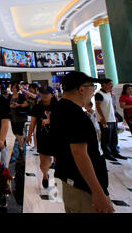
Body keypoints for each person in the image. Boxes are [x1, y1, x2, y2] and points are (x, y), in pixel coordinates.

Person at [51, 71, 114, 213]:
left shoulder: (59, 108)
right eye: (92, 86)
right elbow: (80, 154)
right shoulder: (74, 114)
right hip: (82, 187)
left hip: (68, 180)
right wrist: (98, 192)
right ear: (81, 89)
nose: (93, 91)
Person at [26, 86, 58, 188]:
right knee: (44, 163)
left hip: (57, 137)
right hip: (43, 137)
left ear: (52, 95)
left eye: (46, 93)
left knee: (59, 161)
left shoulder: (58, 106)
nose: (44, 95)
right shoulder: (37, 107)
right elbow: (32, 123)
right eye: (42, 93)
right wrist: (29, 135)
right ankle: (45, 175)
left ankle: (59, 178)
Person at [95, 79, 127, 161]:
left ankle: (114, 152)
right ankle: (107, 153)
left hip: (112, 118)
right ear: (104, 84)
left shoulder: (109, 94)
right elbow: (98, 106)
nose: (111, 86)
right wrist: (102, 117)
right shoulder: (99, 94)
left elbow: (112, 106)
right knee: (106, 137)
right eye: (110, 84)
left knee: (114, 137)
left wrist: (115, 116)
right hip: (105, 120)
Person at [8, 83, 28, 153]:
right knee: (14, 131)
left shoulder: (21, 96)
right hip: (12, 117)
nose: (14, 89)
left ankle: (20, 146)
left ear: (17, 88)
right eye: (12, 88)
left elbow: (26, 104)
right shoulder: (10, 96)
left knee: (19, 132)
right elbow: (7, 105)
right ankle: (20, 140)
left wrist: (19, 105)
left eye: (15, 88)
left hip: (20, 117)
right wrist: (11, 106)